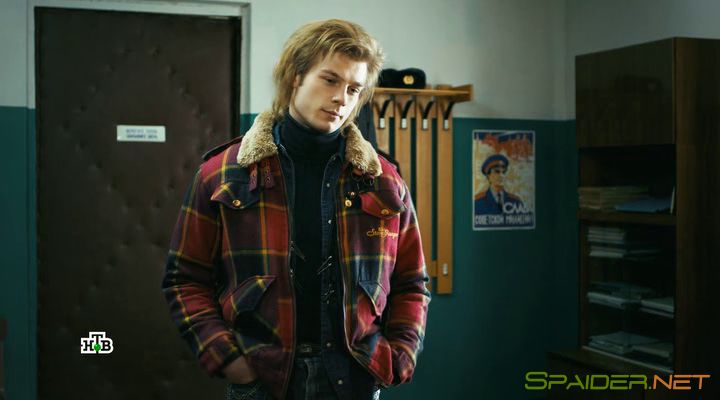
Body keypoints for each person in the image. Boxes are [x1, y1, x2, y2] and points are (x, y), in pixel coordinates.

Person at [162, 19, 430, 400]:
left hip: (354, 379)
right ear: (295, 77)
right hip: (262, 379)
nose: (342, 98)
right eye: (330, 80)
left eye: (353, 89)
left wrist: (400, 357)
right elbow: (184, 279)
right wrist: (229, 360)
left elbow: (412, 283)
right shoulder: (222, 174)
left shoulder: (384, 180)